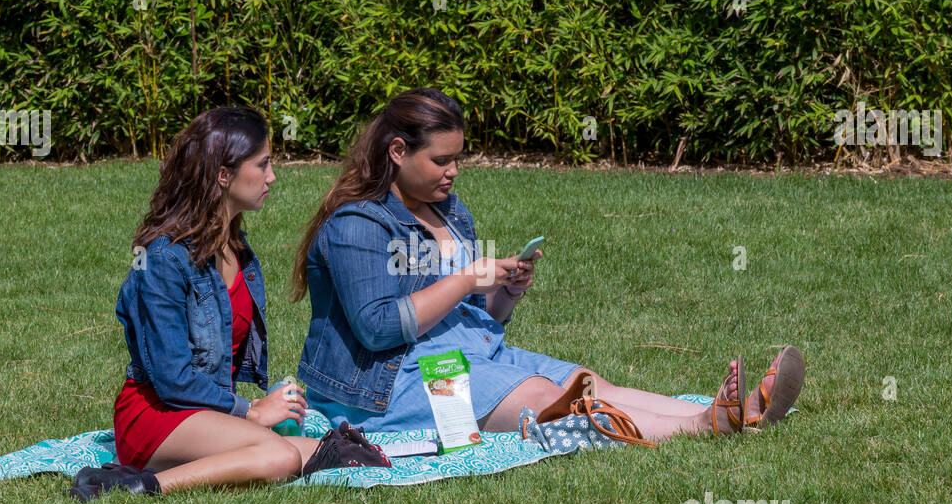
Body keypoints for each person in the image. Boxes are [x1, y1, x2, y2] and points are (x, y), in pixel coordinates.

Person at [290, 87, 804, 442]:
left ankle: (722, 411)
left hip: (463, 353)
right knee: (543, 397)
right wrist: (467, 276)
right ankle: (707, 426)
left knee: (584, 381)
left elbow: (471, 316)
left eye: (458, 158)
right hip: (386, 383)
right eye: (440, 160)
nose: (453, 172)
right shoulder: (358, 224)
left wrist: (504, 292)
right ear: (398, 151)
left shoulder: (450, 210)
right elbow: (379, 328)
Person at [73, 106, 319, 502]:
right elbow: (171, 378)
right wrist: (251, 410)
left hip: (203, 413)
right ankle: (132, 484)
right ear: (223, 175)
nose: (272, 176)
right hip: (156, 415)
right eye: (263, 164)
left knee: (324, 453)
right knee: (279, 457)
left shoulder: (237, 249)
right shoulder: (162, 259)